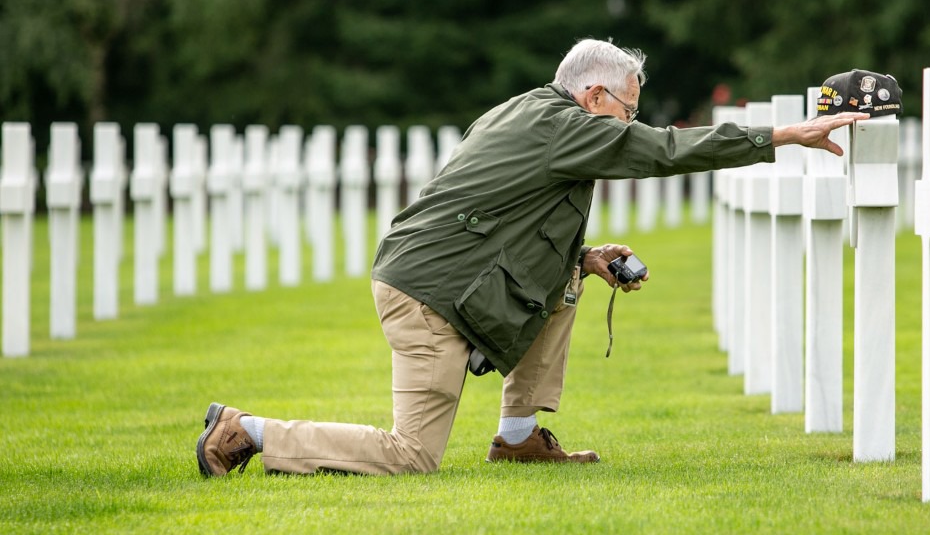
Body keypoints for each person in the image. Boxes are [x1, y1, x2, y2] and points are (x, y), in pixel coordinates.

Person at [196, 38, 865, 477]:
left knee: (569, 280)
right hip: (427, 295)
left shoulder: (524, 113)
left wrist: (583, 256)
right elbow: (665, 151)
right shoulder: (565, 127)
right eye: (625, 109)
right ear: (591, 96)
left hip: (437, 277)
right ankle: (248, 431)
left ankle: (518, 435)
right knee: (411, 457)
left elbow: (510, 215)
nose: (629, 124)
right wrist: (784, 135)